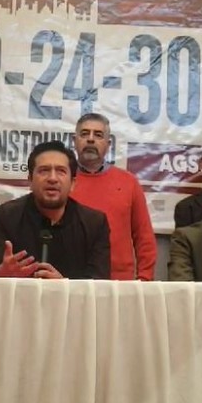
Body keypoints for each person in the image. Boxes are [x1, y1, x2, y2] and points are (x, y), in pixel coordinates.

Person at [0, 140, 111, 279]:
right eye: (44, 171)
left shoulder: (94, 223)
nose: (52, 178)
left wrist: (64, 286)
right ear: (30, 180)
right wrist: (1, 274)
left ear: (73, 183)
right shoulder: (6, 217)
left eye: (61, 171)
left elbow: (99, 283)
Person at [70, 113, 156, 280]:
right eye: (85, 134)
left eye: (98, 135)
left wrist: (145, 279)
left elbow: (144, 236)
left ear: (108, 144)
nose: (90, 139)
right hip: (72, 280)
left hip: (119, 283)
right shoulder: (62, 181)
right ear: (74, 141)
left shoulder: (128, 182)